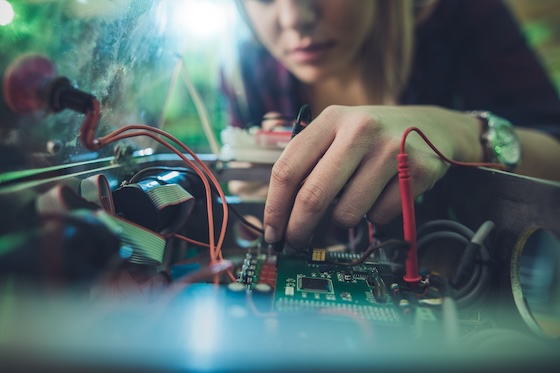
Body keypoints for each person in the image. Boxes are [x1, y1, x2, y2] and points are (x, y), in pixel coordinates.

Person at [220, 0, 560, 249]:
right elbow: (251, 229)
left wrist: (461, 132)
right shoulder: (249, 68)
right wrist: (255, 213)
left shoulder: (464, 14)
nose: (295, 18)